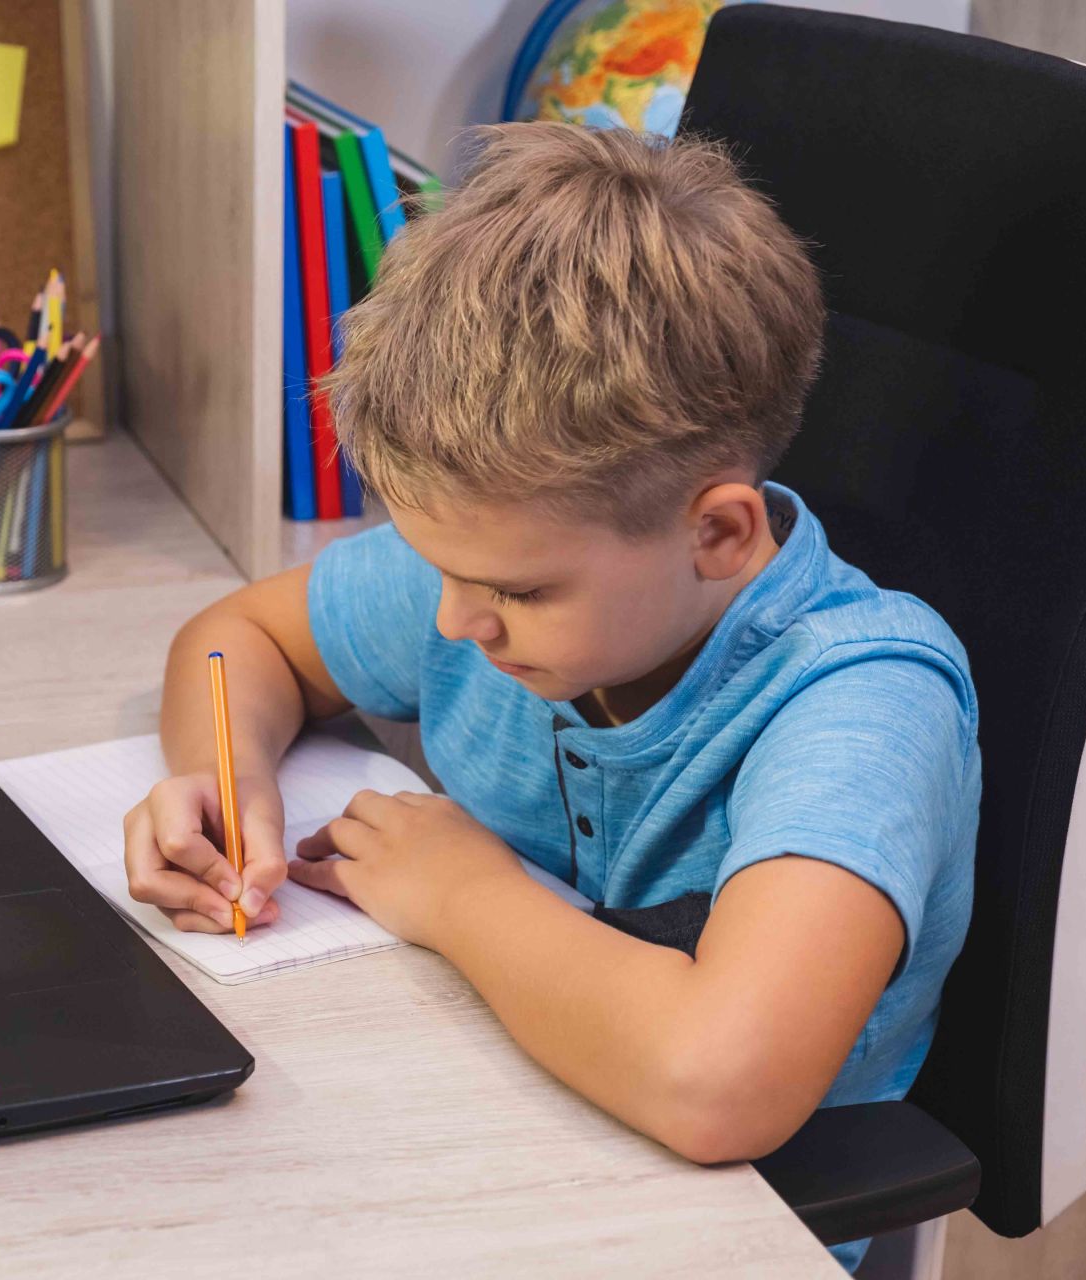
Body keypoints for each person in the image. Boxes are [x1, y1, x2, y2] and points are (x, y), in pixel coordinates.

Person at [121, 123, 978, 1272]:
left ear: (716, 531)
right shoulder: (506, 550)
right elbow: (240, 635)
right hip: (484, 1134)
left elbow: (719, 1081)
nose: (453, 625)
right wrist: (223, 779)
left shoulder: (862, 701)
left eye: (513, 590)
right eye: (439, 570)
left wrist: (463, 894)